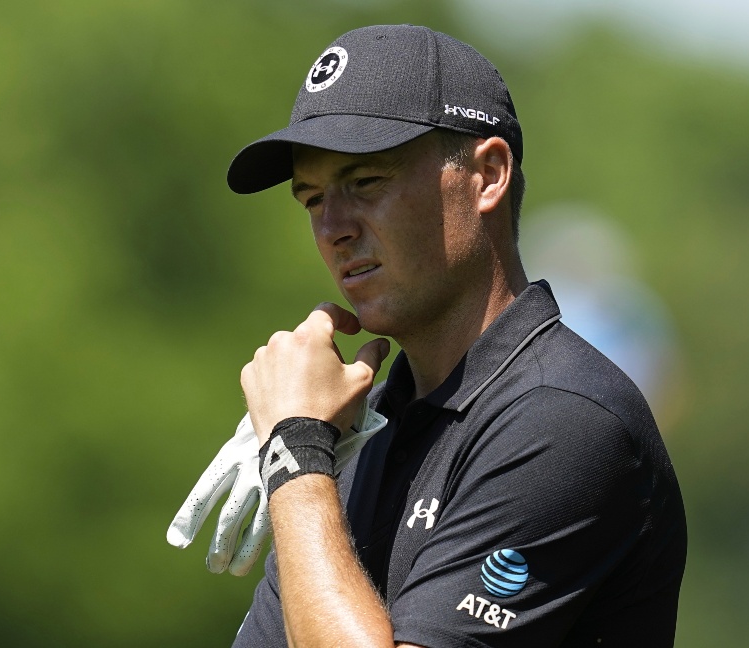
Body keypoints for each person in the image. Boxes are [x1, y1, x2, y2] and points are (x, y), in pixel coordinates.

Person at [207, 24, 686, 647]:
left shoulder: (563, 421)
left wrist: (294, 461)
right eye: (313, 198)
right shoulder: (357, 435)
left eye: (366, 182)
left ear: (487, 175)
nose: (334, 228)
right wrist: (308, 455)